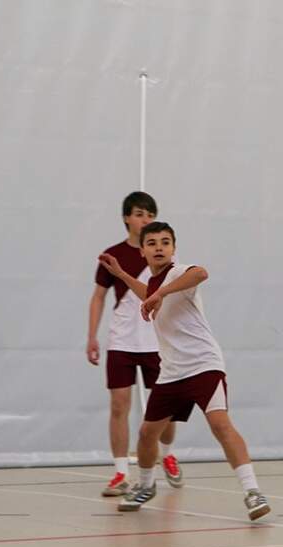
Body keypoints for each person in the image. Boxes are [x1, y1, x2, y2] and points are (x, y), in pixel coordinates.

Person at [96, 222, 271, 520]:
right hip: (172, 371)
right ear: (142, 251)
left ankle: (253, 492)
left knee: (220, 424)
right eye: (152, 243)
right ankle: (147, 485)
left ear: (174, 249)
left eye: (165, 242)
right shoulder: (153, 284)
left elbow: (201, 273)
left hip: (203, 364)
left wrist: (160, 293)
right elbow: (147, 293)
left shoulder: (179, 273)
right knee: (148, 433)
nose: (159, 247)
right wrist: (122, 275)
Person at [86, 191, 180, 497]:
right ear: (127, 217)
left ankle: (166, 453)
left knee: (163, 408)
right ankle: (120, 472)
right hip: (121, 341)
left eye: (151, 215)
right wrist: (91, 336)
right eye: (140, 214)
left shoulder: (163, 257)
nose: (146, 220)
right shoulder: (112, 255)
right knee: (119, 405)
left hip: (156, 343)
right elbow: (98, 296)